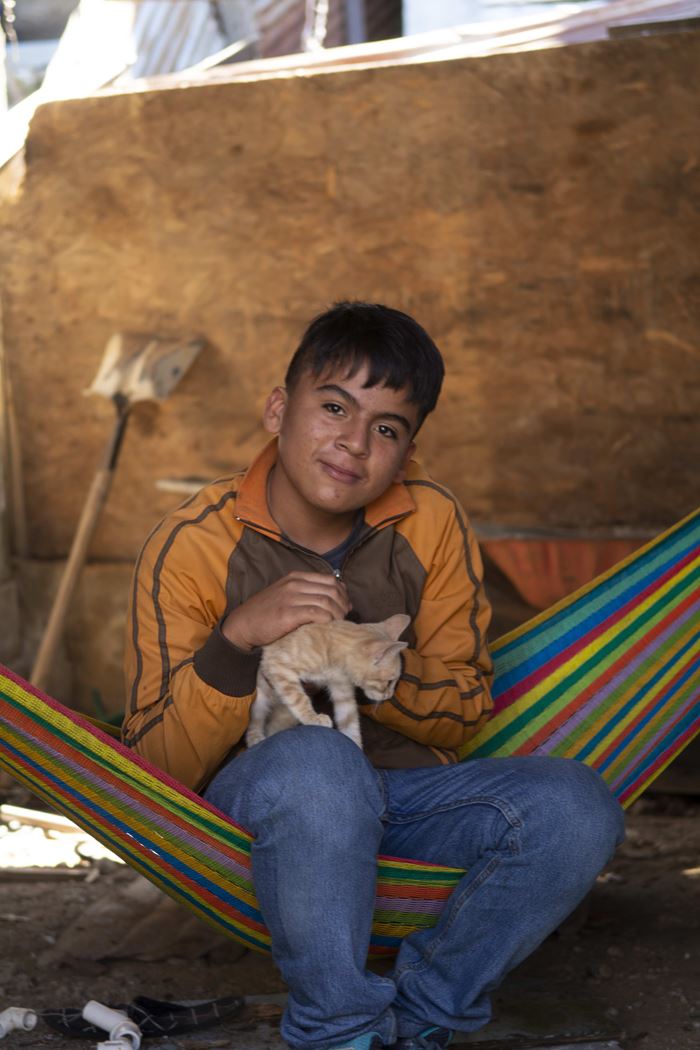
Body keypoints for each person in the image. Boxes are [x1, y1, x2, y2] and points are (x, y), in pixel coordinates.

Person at [123, 301, 624, 1050]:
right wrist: (237, 639)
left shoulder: (431, 521)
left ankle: (423, 1021)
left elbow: (463, 708)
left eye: (386, 428)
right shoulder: (192, 545)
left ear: (408, 447)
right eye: (333, 407)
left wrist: (368, 665)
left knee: (576, 806)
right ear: (276, 408)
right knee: (322, 767)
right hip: (255, 813)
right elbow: (155, 768)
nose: (353, 444)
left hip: (403, 798)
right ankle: (338, 1032)